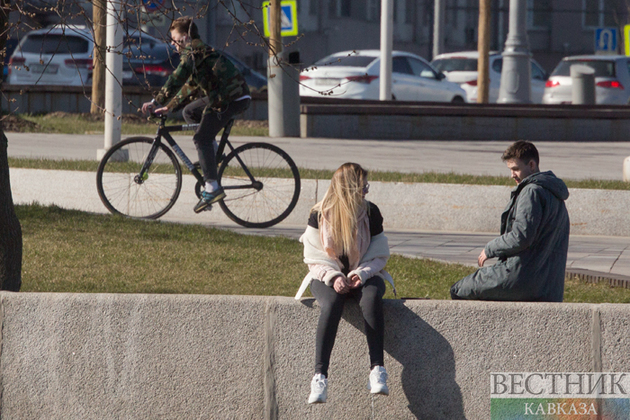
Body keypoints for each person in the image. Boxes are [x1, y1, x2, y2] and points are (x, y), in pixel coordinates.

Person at [295, 162, 395, 404]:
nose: (366, 192)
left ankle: (377, 370)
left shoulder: (371, 213)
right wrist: (334, 277)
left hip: (366, 275)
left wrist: (361, 273)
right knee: (331, 303)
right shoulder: (319, 214)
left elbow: (379, 254)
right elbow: (313, 258)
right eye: (363, 187)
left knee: (371, 298)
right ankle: (319, 377)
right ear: (349, 189)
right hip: (325, 276)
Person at [141, 16, 251, 213]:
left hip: (232, 98)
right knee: (190, 111)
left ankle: (212, 188)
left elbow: (178, 77)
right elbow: (190, 84)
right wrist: (170, 106)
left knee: (201, 138)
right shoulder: (196, 52)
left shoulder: (194, 51)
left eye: (175, 40)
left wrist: (156, 101)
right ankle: (213, 157)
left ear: (185, 37)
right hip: (223, 95)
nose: (173, 45)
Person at [450, 140, 570, 302]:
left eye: (516, 169)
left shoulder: (531, 192)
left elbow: (521, 236)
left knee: (459, 289)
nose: (512, 175)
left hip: (522, 279)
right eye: (510, 169)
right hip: (550, 288)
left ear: (532, 165)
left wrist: (489, 249)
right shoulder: (556, 195)